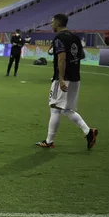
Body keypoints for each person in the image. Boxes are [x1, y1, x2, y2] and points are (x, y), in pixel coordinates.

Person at [36, 14, 98, 149]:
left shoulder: (59, 38)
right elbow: (81, 55)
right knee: (66, 109)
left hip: (64, 79)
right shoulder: (75, 37)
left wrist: (61, 78)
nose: (51, 25)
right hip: (76, 77)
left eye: (52, 22)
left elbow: (62, 59)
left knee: (55, 108)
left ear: (57, 24)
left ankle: (49, 141)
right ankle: (88, 132)